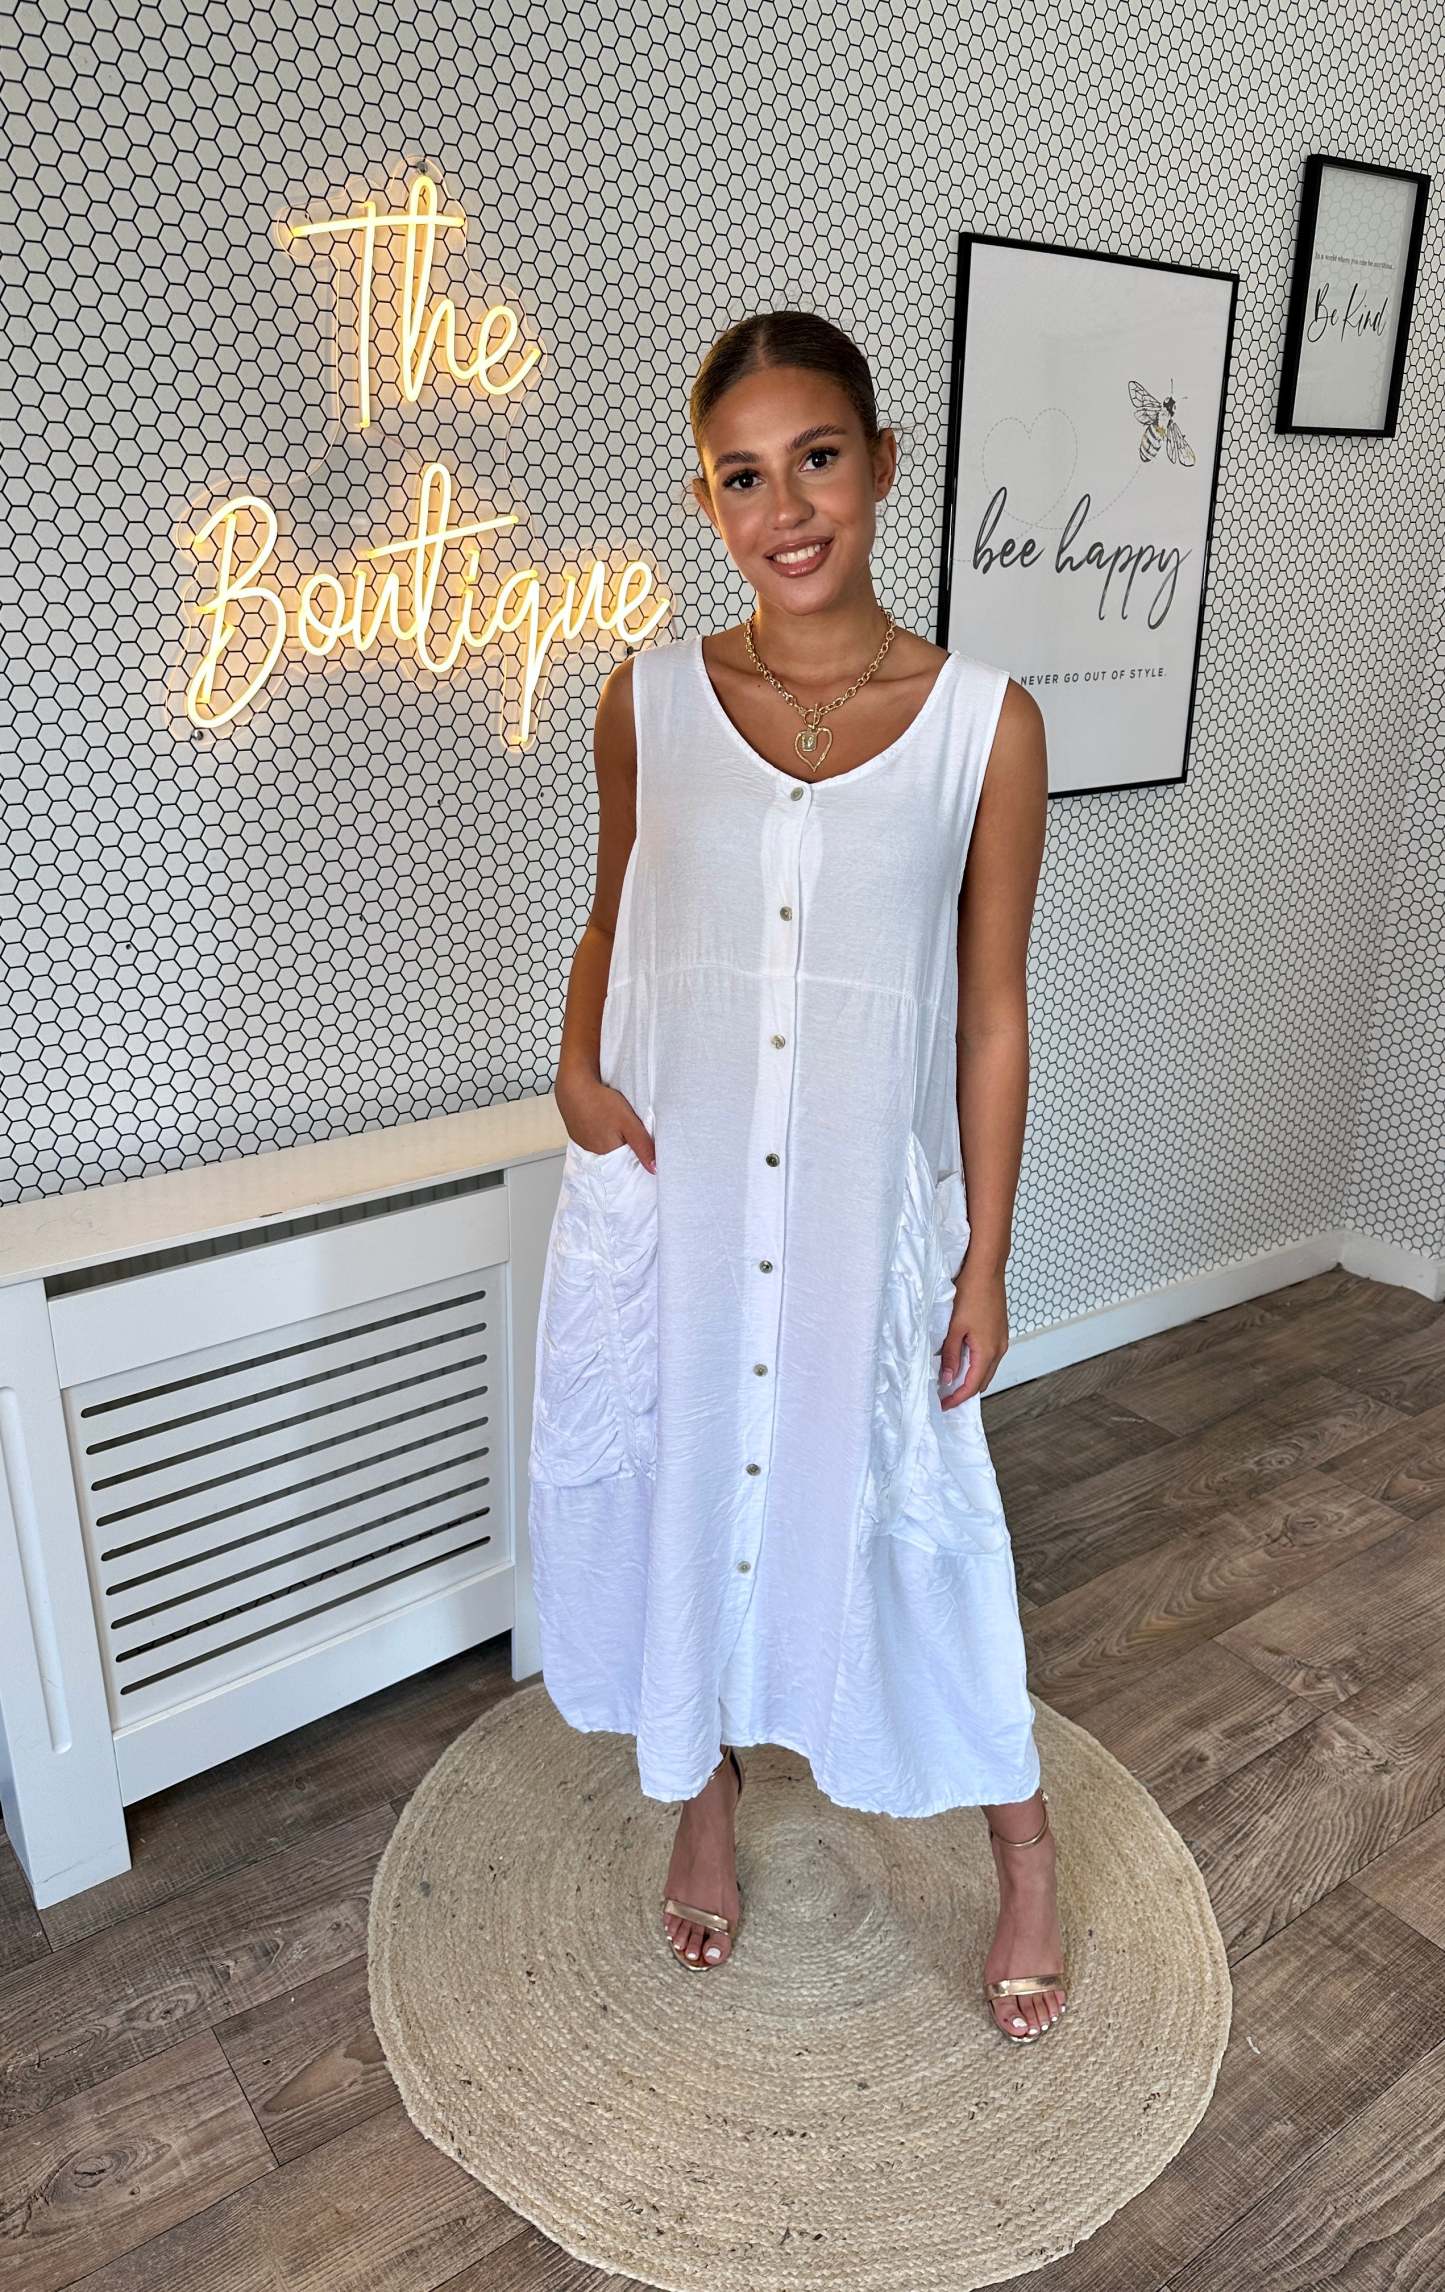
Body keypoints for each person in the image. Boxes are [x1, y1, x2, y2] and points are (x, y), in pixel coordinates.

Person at [528, 310, 1065, 2042]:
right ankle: (704, 1796)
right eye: (743, 477)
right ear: (708, 501)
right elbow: (613, 911)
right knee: (690, 1489)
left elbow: (991, 1012)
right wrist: (575, 1067)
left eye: (816, 459)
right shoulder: (646, 701)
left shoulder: (983, 726)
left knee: (920, 1522)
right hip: (679, 1203)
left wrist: (982, 1255)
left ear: (880, 463)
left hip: (858, 1216)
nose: (787, 509)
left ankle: (1024, 1849)